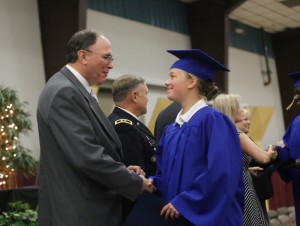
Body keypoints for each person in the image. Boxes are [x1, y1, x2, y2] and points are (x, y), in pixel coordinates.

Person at [36, 29, 153, 226]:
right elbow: (86, 156)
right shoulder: (65, 92)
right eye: (106, 57)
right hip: (78, 212)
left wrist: (123, 170)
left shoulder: (74, 89)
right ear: (83, 56)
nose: (111, 64)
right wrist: (133, 181)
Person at [150, 49, 245, 226]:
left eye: (172, 76)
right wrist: (150, 182)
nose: (166, 82)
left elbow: (221, 172)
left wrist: (186, 202)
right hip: (178, 218)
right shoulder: (172, 129)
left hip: (205, 218)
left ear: (191, 81)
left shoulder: (214, 121)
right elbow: (165, 175)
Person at [213, 94, 276, 226]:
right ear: (230, 109)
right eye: (238, 106)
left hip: (226, 187)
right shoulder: (236, 133)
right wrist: (272, 149)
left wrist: (246, 169)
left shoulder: (217, 133)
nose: (241, 110)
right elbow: (264, 158)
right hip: (244, 187)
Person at [108, 74, 157, 220]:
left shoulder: (129, 123)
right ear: (134, 96)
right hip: (136, 210)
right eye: (146, 93)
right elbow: (134, 178)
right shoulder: (124, 126)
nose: (147, 98)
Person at [236, 108, 274, 219]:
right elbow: (262, 159)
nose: (249, 122)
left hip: (255, 189)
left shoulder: (246, 138)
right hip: (249, 190)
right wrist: (271, 151)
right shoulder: (239, 138)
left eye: (249, 119)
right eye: (245, 119)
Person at [274, 71, 300, 226]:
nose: (296, 97)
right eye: (295, 93)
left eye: (299, 93)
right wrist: (276, 152)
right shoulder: (296, 124)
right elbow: (286, 156)